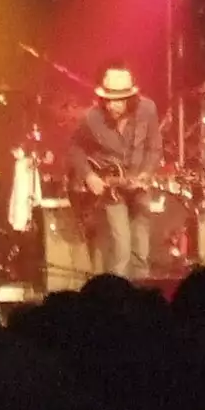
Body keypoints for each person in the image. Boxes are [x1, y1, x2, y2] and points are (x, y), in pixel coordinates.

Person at [66, 64, 163, 280]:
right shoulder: (91, 117)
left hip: (138, 186)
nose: (111, 105)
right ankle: (117, 302)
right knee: (121, 249)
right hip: (111, 190)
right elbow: (74, 148)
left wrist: (146, 173)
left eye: (117, 100)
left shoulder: (147, 110)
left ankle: (142, 300)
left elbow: (155, 147)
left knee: (141, 250)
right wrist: (89, 176)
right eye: (108, 99)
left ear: (130, 98)